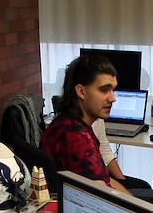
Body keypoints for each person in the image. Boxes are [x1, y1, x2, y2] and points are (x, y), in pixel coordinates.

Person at [43, 54, 132, 194]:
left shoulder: (65, 122)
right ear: (81, 91)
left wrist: (131, 197)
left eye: (113, 90)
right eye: (104, 90)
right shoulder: (78, 138)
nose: (113, 98)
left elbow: (105, 178)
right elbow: (100, 197)